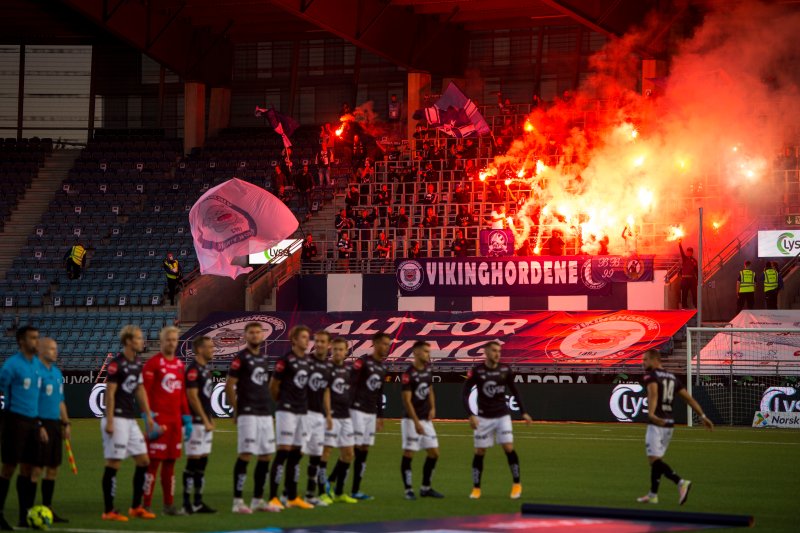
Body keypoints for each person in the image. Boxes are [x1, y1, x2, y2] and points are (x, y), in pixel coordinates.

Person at [636, 349, 714, 505]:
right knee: (657, 459)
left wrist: (651, 414)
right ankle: (653, 494)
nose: (643, 363)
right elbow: (689, 399)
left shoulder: (651, 376)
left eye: (645, 360)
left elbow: (653, 394)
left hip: (657, 423)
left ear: (655, 359)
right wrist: (703, 416)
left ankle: (681, 482)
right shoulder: (673, 378)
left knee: (654, 460)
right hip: (670, 424)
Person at [462, 341, 532, 500]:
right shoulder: (477, 371)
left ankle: (516, 484)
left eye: (499, 351)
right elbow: (464, 393)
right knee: (480, 452)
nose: (497, 353)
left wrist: (524, 412)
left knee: (508, 448)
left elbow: (515, 391)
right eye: (494, 350)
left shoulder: (505, 369)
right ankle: (476, 488)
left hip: (502, 416)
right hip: (483, 418)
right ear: (486, 352)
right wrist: (470, 414)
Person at [100, 325, 157, 522]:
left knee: (143, 461)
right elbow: (110, 393)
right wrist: (109, 420)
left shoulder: (136, 363)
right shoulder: (117, 364)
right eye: (139, 338)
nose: (143, 341)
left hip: (130, 419)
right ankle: (109, 510)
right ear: (128, 341)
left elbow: (139, 390)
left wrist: (148, 416)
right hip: (116, 418)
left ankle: (135, 507)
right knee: (114, 463)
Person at [226, 322, 276, 514]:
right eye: (251, 333)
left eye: (258, 332)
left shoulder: (263, 358)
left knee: (265, 455)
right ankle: (238, 501)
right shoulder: (241, 359)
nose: (255, 335)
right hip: (248, 413)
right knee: (246, 454)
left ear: (262, 336)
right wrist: (236, 409)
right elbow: (229, 385)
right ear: (246, 336)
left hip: (264, 414)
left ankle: (257, 500)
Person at [142, 326, 192, 515]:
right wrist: (148, 418)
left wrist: (186, 417)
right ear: (161, 342)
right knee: (153, 464)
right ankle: (145, 504)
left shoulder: (180, 365)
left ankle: (168, 505)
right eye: (168, 339)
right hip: (159, 422)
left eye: (174, 339)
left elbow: (181, 396)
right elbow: (143, 393)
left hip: (175, 424)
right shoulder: (152, 364)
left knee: (170, 464)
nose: (171, 342)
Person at [0, 326, 46, 529]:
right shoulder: (11, 366)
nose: (37, 342)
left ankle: (24, 515)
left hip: (33, 422)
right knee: (9, 467)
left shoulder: (37, 365)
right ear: (21, 342)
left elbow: (37, 397)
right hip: (15, 421)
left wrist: (40, 423)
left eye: (37, 338)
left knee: (28, 468)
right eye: (33, 338)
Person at [268, 326, 314, 510]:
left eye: (307, 337)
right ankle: (273, 497)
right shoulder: (285, 360)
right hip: (287, 411)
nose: (306, 340)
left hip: (302, 412)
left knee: (296, 455)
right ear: (293, 340)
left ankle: (292, 496)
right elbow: (273, 386)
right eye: (303, 337)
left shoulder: (309, 362)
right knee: (283, 452)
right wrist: (282, 402)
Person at [347, 332, 390, 500]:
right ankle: (332, 482)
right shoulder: (362, 362)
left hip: (370, 413)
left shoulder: (382, 366)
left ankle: (356, 490)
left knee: (364, 450)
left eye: (388, 344)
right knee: (350, 450)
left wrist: (380, 415)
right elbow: (350, 385)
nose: (386, 347)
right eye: (384, 344)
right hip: (357, 410)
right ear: (375, 344)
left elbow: (379, 392)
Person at [400, 341, 443, 500]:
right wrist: (416, 422)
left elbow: (430, 390)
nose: (428, 354)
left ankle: (426, 488)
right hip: (412, 420)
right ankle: (408, 490)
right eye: (425, 351)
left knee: (434, 453)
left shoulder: (427, 370)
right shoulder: (408, 374)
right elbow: (406, 400)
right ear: (416, 352)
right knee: (409, 453)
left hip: (426, 419)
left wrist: (432, 408)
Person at [34, 338, 70, 523]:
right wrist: (38, 424)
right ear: (40, 350)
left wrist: (66, 423)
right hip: (39, 424)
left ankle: (48, 508)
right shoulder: (34, 372)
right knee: (36, 468)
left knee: (53, 468)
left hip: (55, 424)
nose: (55, 352)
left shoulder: (56, 372)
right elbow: (30, 401)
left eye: (56, 348)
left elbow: (60, 400)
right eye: (51, 349)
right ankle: (29, 508)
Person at [181, 336, 216, 514]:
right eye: (210, 347)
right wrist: (204, 417)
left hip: (204, 421)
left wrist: (209, 417)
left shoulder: (205, 370)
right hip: (195, 422)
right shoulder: (193, 370)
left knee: (202, 461)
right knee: (193, 461)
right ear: (200, 349)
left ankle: (198, 501)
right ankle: (187, 504)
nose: (213, 350)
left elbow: (204, 398)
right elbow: (192, 397)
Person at [320, 338, 357, 505]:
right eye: (335, 349)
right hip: (332, 416)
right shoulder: (327, 369)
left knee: (349, 454)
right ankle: (322, 491)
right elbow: (326, 393)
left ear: (346, 351)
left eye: (341, 349)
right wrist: (328, 414)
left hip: (345, 417)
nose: (337, 352)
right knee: (326, 453)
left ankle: (340, 491)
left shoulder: (348, 371)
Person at [301, 331, 333, 506]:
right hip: (305, 414)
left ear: (328, 345)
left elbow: (326, 391)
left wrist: (328, 414)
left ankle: (310, 494)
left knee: (315, 456)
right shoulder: (306, 362)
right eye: (317, 341)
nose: (319, 344)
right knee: (296, 454)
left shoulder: (328, 367)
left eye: (323, 342)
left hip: (319, 416)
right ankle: (287, 494)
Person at [678, 241, 698, 309]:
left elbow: (696, 270)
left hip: (692, 279)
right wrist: (679, 243)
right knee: (684, 293)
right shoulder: (684, 258)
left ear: (692, 253)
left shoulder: (694, 260)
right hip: (685, 279)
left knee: (694, 294)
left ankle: (696, 305)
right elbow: (681, 252)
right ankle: (684, 306)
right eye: (687, 251)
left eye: (690, 252)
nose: (688, 253)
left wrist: (698, 279)